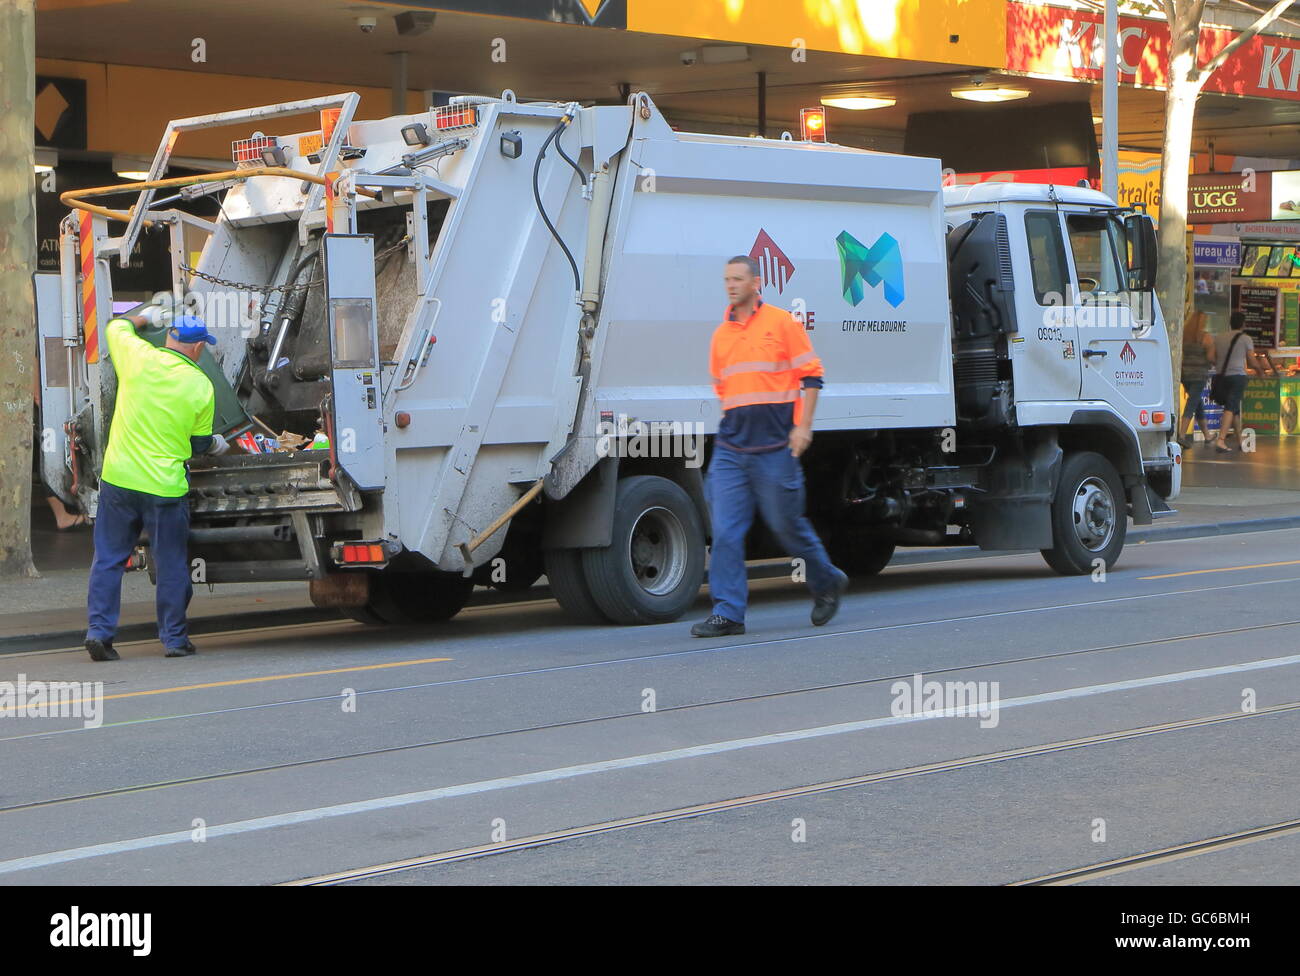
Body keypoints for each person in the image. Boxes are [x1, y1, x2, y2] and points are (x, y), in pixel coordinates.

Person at [691, 256, 848, 638]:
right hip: (731, 449)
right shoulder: (720, 336)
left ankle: (826, 580)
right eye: (726, 278)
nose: (731, 285)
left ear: (756, 283)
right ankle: (728, 613)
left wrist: (803, 428)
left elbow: (812, 377)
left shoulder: (781, 323)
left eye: (738, 278)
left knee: (785, 524)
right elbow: (724, 390)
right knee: (726, 532)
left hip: (776, 446)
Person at [85, 308, 228, 662]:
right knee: (171, 564)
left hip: (119, 480)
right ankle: (175, 640)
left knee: (108, 559)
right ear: (197, 349)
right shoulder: (200, 386)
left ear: (170, 338)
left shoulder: (136, 355)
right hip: (164, 489)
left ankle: (99, 634)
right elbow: (197, 445)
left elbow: (116, 326)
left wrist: (144, 316)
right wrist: (216, 444)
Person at [1210, 311, 1273, 455]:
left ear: (1230, 323)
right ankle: (1221, 440)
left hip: (1221, 376)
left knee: (1234, 408)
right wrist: (1260, 372)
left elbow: (1211, 357)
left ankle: (1240, 440)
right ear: (1243, 324)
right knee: (1231, 407)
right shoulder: (1245, 339)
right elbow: (1251, 360)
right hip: (1237, 376)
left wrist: (1220, 365)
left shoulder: (1219, 337)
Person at [1179, 311, 1214, 444]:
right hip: (1199, 375)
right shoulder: (1205, 337)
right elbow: (1210, 357)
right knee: (1192, 403)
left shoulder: (1185, 335)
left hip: (1186, 374)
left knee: (1197, 403)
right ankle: (1181, 434)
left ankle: (1207, 435)